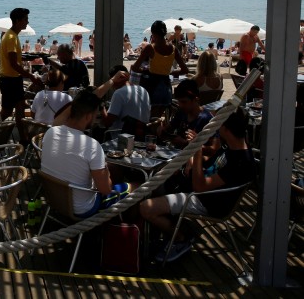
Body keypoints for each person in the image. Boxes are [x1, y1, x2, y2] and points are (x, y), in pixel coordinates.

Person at [140, 107, 256, 262]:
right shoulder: (235, 145)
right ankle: (159, 233)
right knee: (154, 182)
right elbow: (211, 166)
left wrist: (197, 150)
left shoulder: (240, 162)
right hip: (200, 190)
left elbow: (199, 187)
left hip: (206, 201)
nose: (215, 129)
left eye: (218, 125)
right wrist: (192, 159)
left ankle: (181, 238)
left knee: (146, 208)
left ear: (226, 129)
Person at [42, 88, 131, 218]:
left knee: (111, 170)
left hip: (55, 201)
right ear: (89, 116)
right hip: (82, 209)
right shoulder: (92, 145)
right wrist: (105, 169)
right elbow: (106, 190)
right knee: (135, 186)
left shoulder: (51, 132)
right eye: (96, 116)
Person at [0, 8, 42, 143]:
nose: (27, 22)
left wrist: (29, 57)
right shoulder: (11, 37)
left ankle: (23, 138)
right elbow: (13, 64)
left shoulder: (12, 35)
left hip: (11, 78)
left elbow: (15, 57)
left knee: (19, 109)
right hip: (10, 79)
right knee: (7, 111)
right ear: (18, 21)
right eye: (25, 19)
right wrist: (31, 76)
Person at [131, 20, 189, 112]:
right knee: (162, 113)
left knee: (151, 114)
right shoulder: (173, 49)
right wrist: (171, 72)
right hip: (166, 86)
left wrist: (145, 70)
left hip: (152, 86)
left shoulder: (150, 48)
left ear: (153, 33)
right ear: (165, 32)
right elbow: (185, 70)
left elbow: (135, 68)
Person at [159, 79, 220, 155]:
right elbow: (168, 131)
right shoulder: (181, 113)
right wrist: (161, 130)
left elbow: (214, 149)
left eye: (184, 102)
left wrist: (186, 144)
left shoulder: (206, 119)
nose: (180, 105)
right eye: (179, 102)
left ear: (195, 100)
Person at [100, 65, 151, 139]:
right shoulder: (143, 90)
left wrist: (101, 107)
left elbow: (107, 123)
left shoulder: (119, 93)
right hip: (141, 135)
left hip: (121, 137)